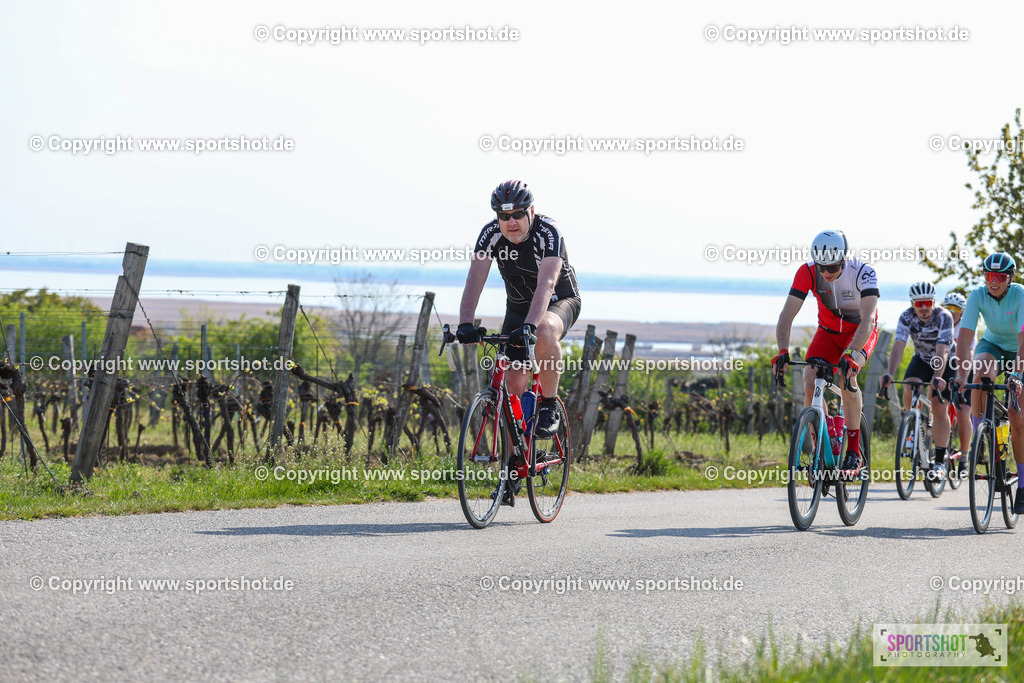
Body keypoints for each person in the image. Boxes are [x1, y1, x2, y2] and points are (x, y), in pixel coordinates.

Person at [457, 180, 581, 442]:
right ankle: (513, 468)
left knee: (545, 330)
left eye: (517, 215)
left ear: (531, 212)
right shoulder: (489, 234)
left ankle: (548, 405)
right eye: (504, 216)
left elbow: (547, 283)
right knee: (511, 390)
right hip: (518, 309)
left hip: (558, 301)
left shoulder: (548, 232)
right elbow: (474, 279)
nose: (511, 222)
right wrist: (464, 324)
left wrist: (531, 327)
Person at [773, 230, 879, 476]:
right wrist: (782, 350)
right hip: (828, 333)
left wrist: (852, 353)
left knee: (846, 378)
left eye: (832, 267)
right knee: (809, 380)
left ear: (844, 258)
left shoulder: (864, 272)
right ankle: (819, 449)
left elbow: (868, 319)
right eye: (822, 268)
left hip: (860, 332)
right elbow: (786, 316)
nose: (827, 273)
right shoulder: (807, 272)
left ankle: (853, 452)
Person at [951, 253, 1024, 514]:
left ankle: (1023, 485)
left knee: (1017, 415)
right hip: (992, 345)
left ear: (1009, 278)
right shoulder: (978, 295)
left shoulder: (1020, 294)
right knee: (978, 372)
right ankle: (980, 435)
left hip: (1020, 350)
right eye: (989, 276)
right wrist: (961, 375)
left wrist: (1017, 374)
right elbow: (965, 335)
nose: (994, 281)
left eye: (1000, 277)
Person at [880, 282, 954, 478]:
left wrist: (937, 377)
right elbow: (899, 344)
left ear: (934, 302)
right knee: (909, 385)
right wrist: (890, 373)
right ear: (913, 303)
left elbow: (942, 350)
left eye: (927, 302)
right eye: (918, 303)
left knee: (939, 405)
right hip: (921, 358)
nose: (923, 307)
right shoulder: (906, 316)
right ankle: (913, 422)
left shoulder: (944, 317)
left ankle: (939, 461)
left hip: (946, 362)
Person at [942, 291, 973, 476]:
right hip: (946, 365)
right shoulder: (941, 321)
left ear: (962, 312)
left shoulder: (967, 324)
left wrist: (965, 376)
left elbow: (968, 352)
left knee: (963, 412)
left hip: (967, 366)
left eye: (956, 309)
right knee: (939, 405)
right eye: (948, 308)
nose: (951, 312)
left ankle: (964, 456)